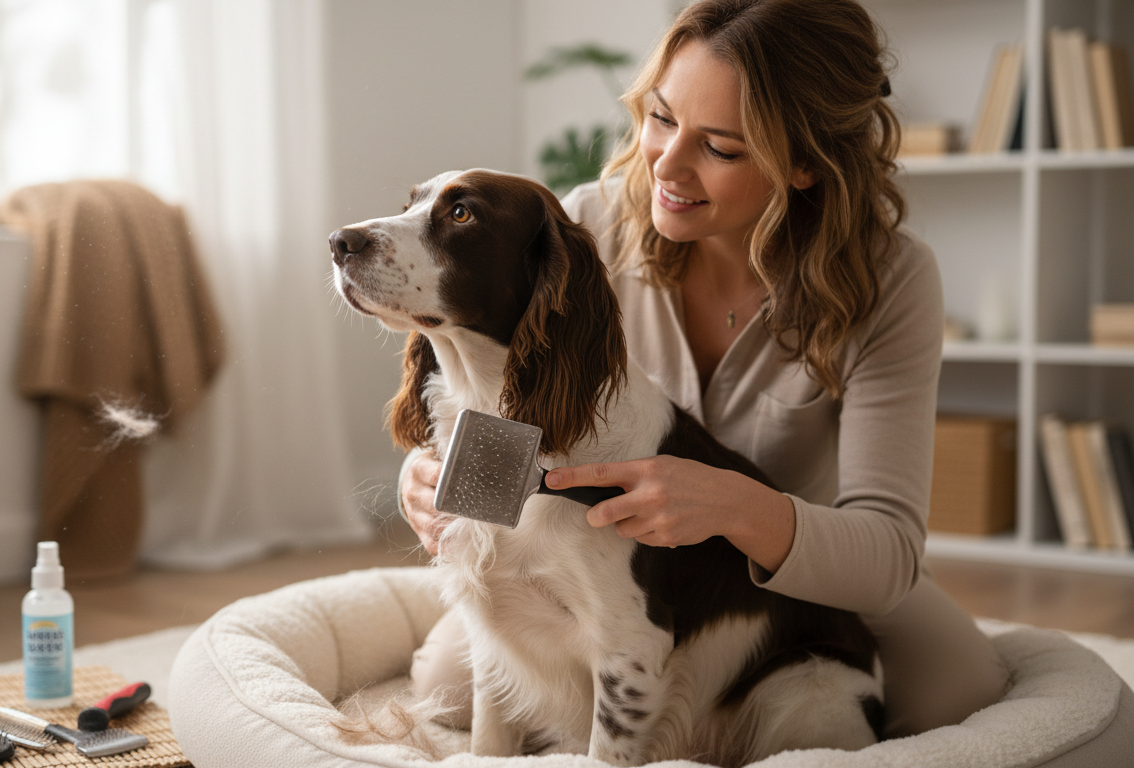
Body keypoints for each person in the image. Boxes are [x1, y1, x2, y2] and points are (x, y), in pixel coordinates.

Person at [400, 0, 1014, 741]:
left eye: (720, 147)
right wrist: (438, 480)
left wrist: (732, 505)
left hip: (795, 580)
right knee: (441, 686)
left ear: (807, 162)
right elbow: (508, 408)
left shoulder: (892, 280)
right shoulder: (586, 229)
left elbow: (886, 552)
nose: (666, 163)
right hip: (596, 571)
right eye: (660, 118)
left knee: (963, 692)